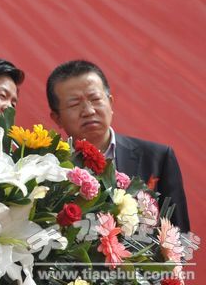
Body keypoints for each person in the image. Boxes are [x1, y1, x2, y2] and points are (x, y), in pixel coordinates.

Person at [46, 60, 190, 232]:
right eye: (74, 104)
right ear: (57, 118)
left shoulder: (157, 158)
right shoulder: (48, 171)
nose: (89, 111)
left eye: (95, 99)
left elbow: (180, 235)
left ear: (110, 102)